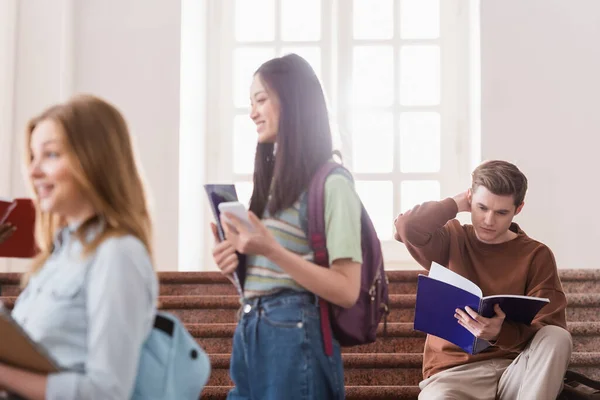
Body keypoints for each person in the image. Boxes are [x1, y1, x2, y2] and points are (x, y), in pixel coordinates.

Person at [210, 53, 362, 400]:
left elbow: (346, 289)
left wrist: (270, 250)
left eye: (260, 100)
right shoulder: (272, 189)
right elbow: (275, 276)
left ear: (292, 101)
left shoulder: (333, 183)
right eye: (250, 102)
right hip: (251, 328)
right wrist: (237, 264)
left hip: (295, 331)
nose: (252, 113)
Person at [0, 94, 158, 399]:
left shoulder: (118, 254)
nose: (33, 172)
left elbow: (106, 392)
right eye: (33, 156)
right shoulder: (57, 258)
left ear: (94, 161)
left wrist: (4, 376)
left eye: (50, 155)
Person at [394, 160, 572, 399]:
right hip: (452, 376)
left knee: (557, 336)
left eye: (501, 212)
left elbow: (550, 326)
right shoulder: (451, 238)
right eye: (481, 207)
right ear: (470, 199)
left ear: (518, 209)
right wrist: (455, 204)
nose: (489, 220)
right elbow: (407, 226)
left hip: (517, 372)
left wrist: (500, 333)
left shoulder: (536, 255)